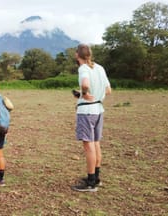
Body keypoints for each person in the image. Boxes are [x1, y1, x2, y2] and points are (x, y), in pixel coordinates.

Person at [72, 44, 112, 192]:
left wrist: (85, 92)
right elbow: (108, 90)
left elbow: (85, 83)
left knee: (89, 146)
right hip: (99, 110)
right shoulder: (100, 68)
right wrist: (85, 94)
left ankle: (90, 182)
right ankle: (96, 177)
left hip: (87, 111)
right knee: (95, 144)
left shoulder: (83, 68)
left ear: (77, 55)